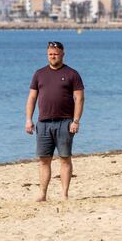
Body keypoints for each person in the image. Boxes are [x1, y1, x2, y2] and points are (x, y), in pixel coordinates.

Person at [26, 41, 84, 201]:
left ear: (62, 54)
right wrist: (28, 120)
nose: (53, 57)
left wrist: (76, 121)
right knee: (44, 160)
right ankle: (43, 194)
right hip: (43, 123)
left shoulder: (72, 74)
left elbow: (79, 98)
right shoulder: (39, 74)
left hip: (65, 122)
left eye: (56, 54)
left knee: (65, 158)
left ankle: (64, 194)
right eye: (50, 54)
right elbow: (31, 97)